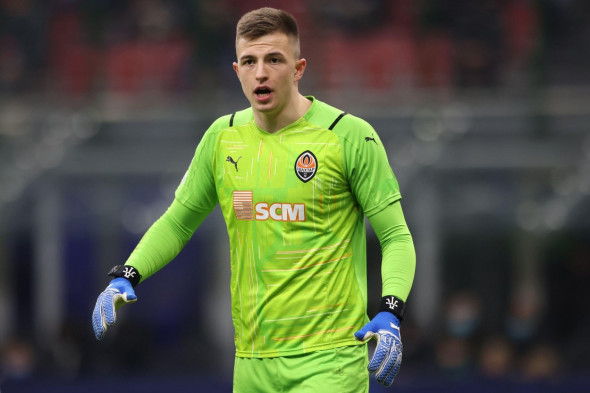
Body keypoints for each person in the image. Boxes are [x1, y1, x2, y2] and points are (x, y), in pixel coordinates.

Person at [92, 7, 416, 392]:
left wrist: (391, 310)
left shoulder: (347, 136)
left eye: (274, 60)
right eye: (250, 61)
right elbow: (178, 221)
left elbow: (396, 236)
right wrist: (128, 274)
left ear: (298, 68)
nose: (260, 72)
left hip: (330, 361)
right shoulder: (222, 137)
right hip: (250, 363)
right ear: (237, 71)